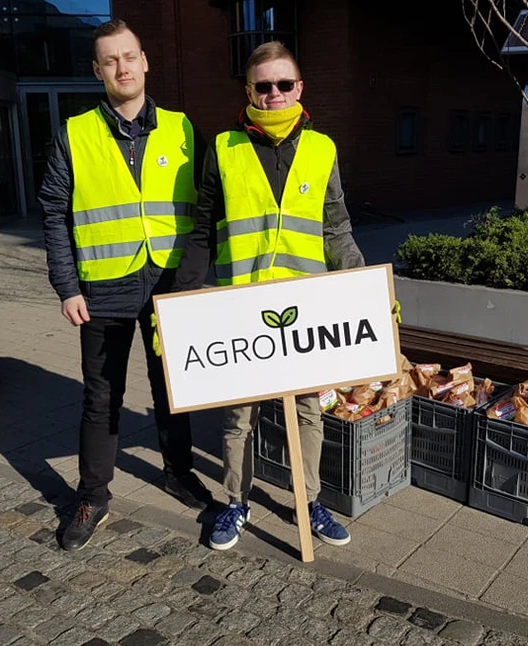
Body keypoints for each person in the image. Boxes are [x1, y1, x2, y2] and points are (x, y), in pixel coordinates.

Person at [172, 41, 366, 551]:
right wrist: (176, 306)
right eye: (264, 86)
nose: (275, 94)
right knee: (238, 416)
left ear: (300, 88)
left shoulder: (322, 148)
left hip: (305, 312)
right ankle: (235, 501)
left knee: (307, 411)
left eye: (285, 84)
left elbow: (336, 229)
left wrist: (367, 289)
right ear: (249, 91)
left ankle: (309, 501)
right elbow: (201, 233)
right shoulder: (223, 147)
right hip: (242, 309)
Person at [39, 18, 212, 552]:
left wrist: (196, 279)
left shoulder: (183, 129)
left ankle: (177, 472)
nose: (122, 67)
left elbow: (207, 208)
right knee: (101, 398)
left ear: (145, 61)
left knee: (172, 389)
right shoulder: (74, 133)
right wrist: (67, 286)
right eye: (110, 60)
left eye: (129, 56)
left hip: (168, 282)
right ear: (98, 70)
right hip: (104, 288)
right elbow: (53, 213)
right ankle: (93, 495)